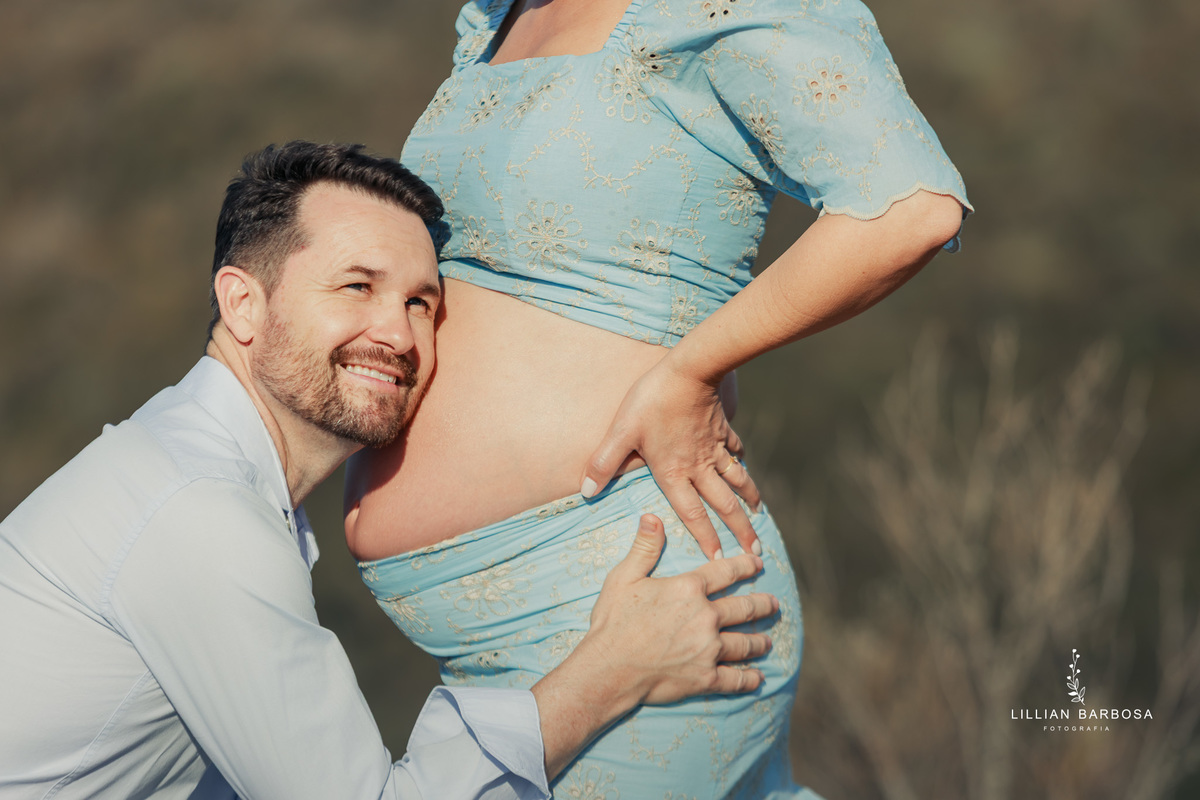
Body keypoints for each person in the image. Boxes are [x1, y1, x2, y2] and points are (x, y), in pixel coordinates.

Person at [0, 141, 781, 800]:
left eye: (420, 304)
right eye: (357, 286)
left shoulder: (187, 475)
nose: (398, 335)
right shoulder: (196, 513)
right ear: (242, 305)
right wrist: (613, 671)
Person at [345, 0, 973, 797]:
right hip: (497, 651)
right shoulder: (498, 17)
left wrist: (692, 368)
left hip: (642, 606)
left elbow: (909, 209)